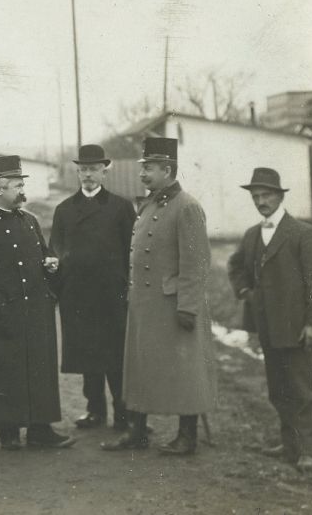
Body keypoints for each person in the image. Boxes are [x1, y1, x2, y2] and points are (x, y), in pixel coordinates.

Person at [101, 137, 216, 456]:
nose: (142, 174)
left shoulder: (188, 206)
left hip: (172, 306)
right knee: (140, 369)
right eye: (143, 168)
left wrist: (188, 308)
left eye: (148, 168)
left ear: (167, 169)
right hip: (144, 306)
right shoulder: (149, 203)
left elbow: (196, 264)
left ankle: (187, 436)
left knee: (184, 371)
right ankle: (137, 432)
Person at [0, 155, 74, 451]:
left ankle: (41, 429)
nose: (22, 192)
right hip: (0, 315)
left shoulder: (30, 221)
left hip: (36, 312)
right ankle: (8, 432)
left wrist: (51, 266)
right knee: (4, 371)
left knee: (39, 370)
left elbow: (43, 255)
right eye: (16, 186)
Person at [228, 167, 312, 474]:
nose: (261, 201)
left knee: (301, 389)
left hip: (297, 329)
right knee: (278, 388)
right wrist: (245, 291)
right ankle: (289, 445)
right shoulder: (252, 235)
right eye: (256, 197)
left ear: (280, 196)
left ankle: (309, 451)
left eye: (266, 195)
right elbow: (236, 266)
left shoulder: (303, 233)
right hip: (268, 328)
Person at [48, 145, 136, 431]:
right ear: (77, 172)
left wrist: (128, 287)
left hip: (112, 295)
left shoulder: (121, 208)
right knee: (88, 356)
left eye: (93, 169)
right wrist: (58, 284)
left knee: (115, 356)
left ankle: (124, 413)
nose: (88, 174)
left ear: (103, 172)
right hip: (79, 295)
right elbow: (56, 251)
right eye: (83, 169)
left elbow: (131, 252)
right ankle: (94, 410)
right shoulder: (64, 210)